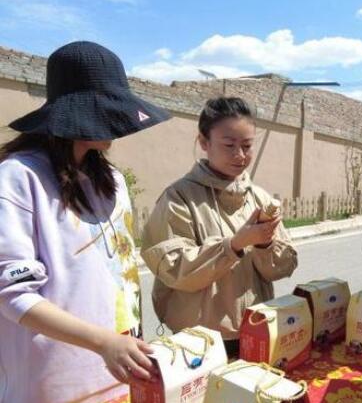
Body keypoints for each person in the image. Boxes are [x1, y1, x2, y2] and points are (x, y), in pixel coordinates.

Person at [0, 41, 171, 402]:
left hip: (119, 367)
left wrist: (125, 340)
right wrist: (101, 341)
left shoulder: (113, 179)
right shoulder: (18, 177)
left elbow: (121, 274)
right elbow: (12, 294)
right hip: (54, 382)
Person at [141, 96, 298, 357]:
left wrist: (264, 243)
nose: (239, 155)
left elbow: (282, 268)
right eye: (229, 145)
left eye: (247, 146)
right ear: (204, 142)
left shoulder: (259, 198)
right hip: (198, 342)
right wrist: (234, 245)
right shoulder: (179, 198)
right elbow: (174, 268)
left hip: (255, 330)